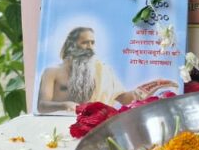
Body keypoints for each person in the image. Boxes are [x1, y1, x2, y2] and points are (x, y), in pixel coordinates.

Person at [36, 26, 175, 112]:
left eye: (92, 43)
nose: (90, 47)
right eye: (85, 43)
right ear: (71, 45)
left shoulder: (103, 72)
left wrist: (153, 84)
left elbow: (126, 99)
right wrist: (65, 105)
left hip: (94, 129)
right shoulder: (52, 72)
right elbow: (42, 106)